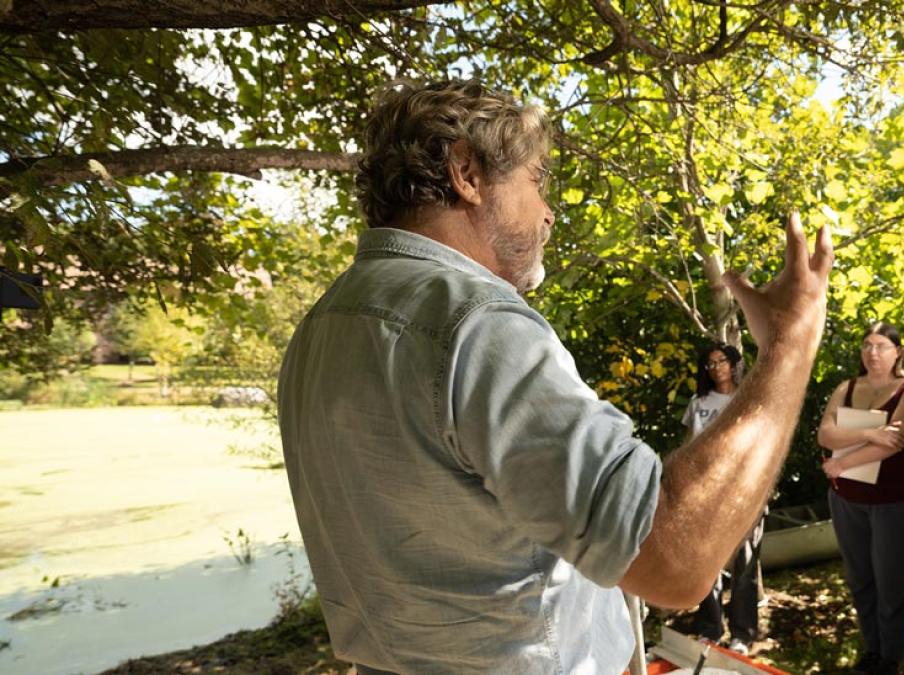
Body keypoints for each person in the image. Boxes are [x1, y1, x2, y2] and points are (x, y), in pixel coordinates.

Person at [276, 79, 834, 674]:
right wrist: (790, 344)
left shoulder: (319, 328)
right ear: (466, 172)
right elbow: (675, 560)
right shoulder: (476, 322)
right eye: (537, 179)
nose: (549, 211)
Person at [816, 322, 904, 675]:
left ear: (898, 352)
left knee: (892, 584)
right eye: (867, 345)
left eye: (882, 345)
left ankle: (890, 658)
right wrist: (870, 432)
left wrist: (841, 462)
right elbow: (825, 433)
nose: (872, 352)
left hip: (898, 503)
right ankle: (872, 651)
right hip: (848, 499)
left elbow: (896, 442)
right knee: (861, 580)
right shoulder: (846, 387)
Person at [682, 343, 762, 655]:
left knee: (744, 566)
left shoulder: (750, 399)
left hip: (744, 493)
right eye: (710, 363)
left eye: (722, 361)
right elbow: (689, 445)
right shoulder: (698, 402)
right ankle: (709, 629)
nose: (716, 368)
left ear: (735, 365)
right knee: (706, 564)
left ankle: (742, 635)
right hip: (705, 495)